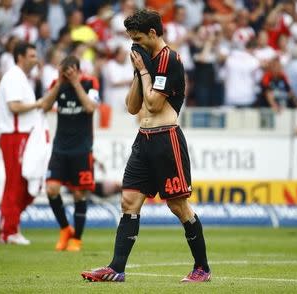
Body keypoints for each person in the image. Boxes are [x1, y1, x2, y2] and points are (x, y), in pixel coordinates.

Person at [81, 9, 211, 283]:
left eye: (138, 37)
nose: (134, 43)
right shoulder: (145, 60)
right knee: (128, 201)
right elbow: (132, 107)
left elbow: (153, 104)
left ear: (153, 33)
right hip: (144, 138)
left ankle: (202, 268)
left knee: (178, 206)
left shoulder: (169, 59)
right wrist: (138, 73)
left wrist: (142, 70)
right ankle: (116, 268)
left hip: (166, 139)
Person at [0, 42, 52, 245]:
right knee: (16, 183)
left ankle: (9, 225)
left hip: (23, 135)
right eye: (31, 55)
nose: (35, 59)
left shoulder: (21, 78)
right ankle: (9, 230)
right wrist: (38, 103)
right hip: (14, 134)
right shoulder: (13, 77)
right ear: (19, 57)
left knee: (25, 183)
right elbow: (14, 106)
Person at [42, 55, 99, 252]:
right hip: (60, 148)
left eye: (70, 72)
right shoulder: (57, 84)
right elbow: (45, 106)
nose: (67, 75)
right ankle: (65, 228)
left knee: (78, 194)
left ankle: (77, 239)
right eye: (64, 72)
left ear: (77, 69)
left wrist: (76, 84)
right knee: (51, 189)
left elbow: (91, 108)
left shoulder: (90, 82)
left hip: (81, 149)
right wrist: (59, 83)